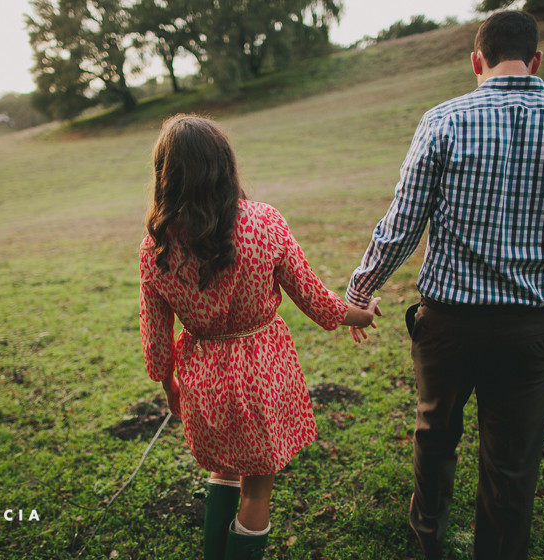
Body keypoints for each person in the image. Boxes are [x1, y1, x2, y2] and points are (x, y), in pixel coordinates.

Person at [345, 11, 544, 560]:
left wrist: (359, 291)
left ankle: (428, 542)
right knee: (512, 466)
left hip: (447, 326)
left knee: (434, 438)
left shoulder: (443, 121)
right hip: (532, 331)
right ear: (537, 60)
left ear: (476, 61)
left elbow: (401, 226)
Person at [139, 114, 380, 560]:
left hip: (202, 380)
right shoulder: (265, 223)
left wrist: (169, 385)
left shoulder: (156, 249)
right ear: (224, 165)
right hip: (261, 373)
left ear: (165, 175)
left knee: (225, 469)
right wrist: (359, 316)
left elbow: (155, 347)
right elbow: (313, 298)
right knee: (257, 489)